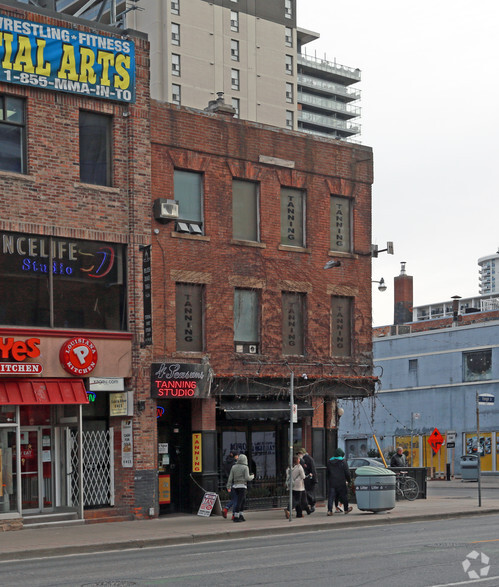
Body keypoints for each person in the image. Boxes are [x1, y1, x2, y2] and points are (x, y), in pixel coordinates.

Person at [227, 453, 254, 522]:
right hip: (242, 486)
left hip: (235, 486)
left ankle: (241, 515)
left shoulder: (234, 467)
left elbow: (230, 478)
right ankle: (236, 517)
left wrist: (228, 486)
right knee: (241, 502)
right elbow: (247, 478)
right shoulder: (245, 467)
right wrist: (252, 476)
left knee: (241, 501)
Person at [326, 447, 353, 516]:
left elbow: (327, 473)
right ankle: (346, 509)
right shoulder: (343, 461)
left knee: (331, 497)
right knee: (344, 496)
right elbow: (347, 472)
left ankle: (329, 510)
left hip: (332, 482)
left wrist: (328, 479)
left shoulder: (329, 462)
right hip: (341, 482)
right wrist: (349, 480)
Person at [284, 455, 310, 519]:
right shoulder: (299, 467)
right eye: (299, 459)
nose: (299, 460)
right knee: (297, 500)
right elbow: (303, 477)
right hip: (299, 486)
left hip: (292, 485)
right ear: (297, 460)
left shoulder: (289, 468)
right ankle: (288, 509)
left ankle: (299, 514)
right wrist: (309, 475)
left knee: (300, 499)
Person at [297, 448, 317, 514]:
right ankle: (308, 506)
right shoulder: (306, 459)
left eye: (299, 454)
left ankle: (311, 505)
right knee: (306, 493)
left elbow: (312, 469)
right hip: (308, 479)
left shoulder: (307, 459)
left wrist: (313, 478)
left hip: (308, 479)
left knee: (308, 493)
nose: (298, 455)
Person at [222, 450, 239, 519]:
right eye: (237, 455)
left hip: (228, 482)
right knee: (236, 499)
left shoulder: (226, 463)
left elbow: (224, 473)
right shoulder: (235, 464)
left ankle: (226, 508)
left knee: (234, 498)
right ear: (235, 455)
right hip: (235, 482)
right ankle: (233, 514)